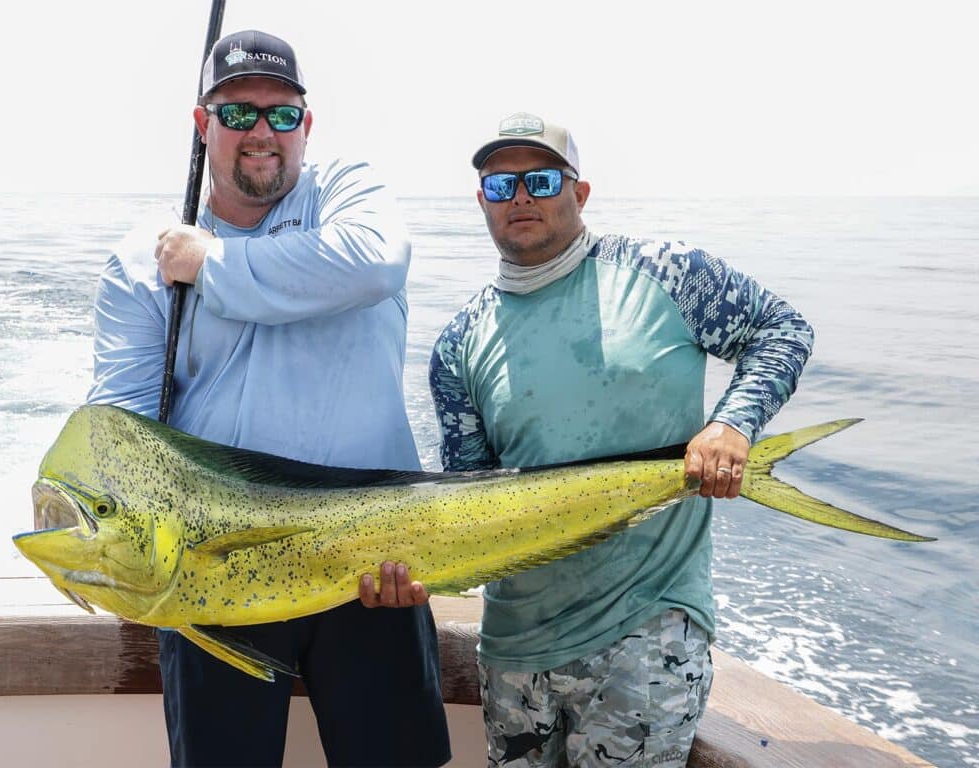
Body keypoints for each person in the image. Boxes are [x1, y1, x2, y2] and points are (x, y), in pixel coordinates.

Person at [88, 29, 450, 768]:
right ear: (203, 126)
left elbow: (377, 264)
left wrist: (212, 264)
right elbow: (120, 427)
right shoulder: (142, 258)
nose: (261, 132)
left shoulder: (349, 193)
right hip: (218, 570)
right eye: (237, 112)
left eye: (282, 114)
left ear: (306, 126)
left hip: (373, 558)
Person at [429, 112, 814, 767]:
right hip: (516, 649)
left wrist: (732, 424)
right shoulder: (457, 343)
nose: (520, 197)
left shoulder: (664, 270)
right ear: (482, 202)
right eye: (501, 186)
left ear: (579, 194)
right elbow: (472, 501)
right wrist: (415, 571)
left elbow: (782, 330)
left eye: (541, 180)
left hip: (646, 633)